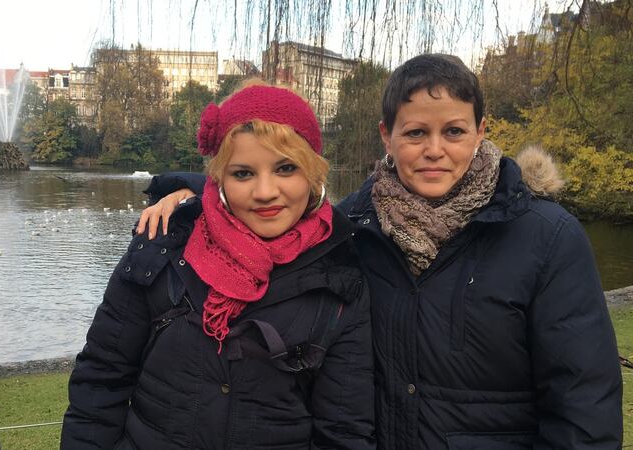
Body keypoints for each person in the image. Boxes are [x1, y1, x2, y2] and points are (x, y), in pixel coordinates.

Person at [136, 54, 623, 449]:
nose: (435, 148)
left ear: (480, 131)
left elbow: (582, 400)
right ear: (386, 135)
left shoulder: (545, 236)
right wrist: (190, 195)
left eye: (453, 131)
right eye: (415, 133)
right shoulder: (354, 226)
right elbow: (270, 203)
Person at [61, 81, 376, 449]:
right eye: (243, 173)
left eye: (286, 169)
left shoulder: (341, 276)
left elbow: (343, 430)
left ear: (313, 173)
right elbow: (102, 379)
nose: (265, 192)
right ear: (220, 178)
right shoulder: (162, 246)